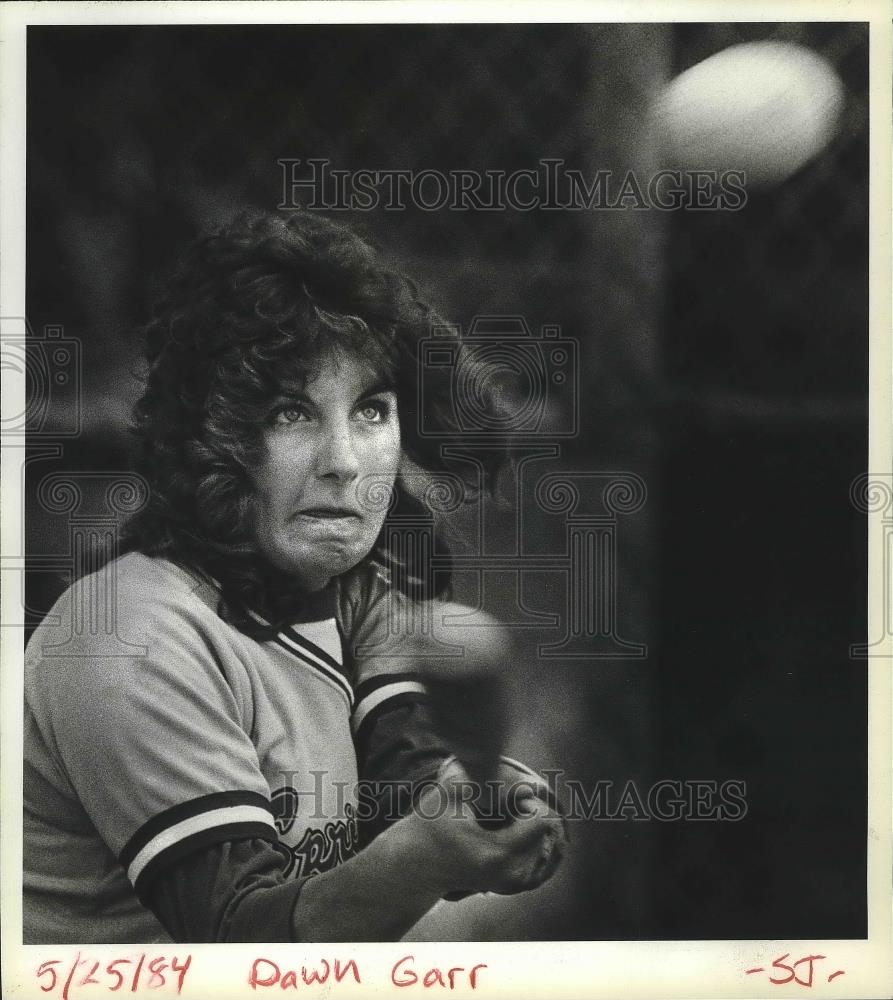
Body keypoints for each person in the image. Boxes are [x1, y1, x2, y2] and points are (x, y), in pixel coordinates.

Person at [23, 209, 566, 944]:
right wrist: (424, 858)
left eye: (371, 409)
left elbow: (404, 775)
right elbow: (240, 950)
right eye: (290, 413)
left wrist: (476, 808)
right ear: (211, 441)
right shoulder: (130, 640)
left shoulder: (358, 595)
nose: (343, 460)